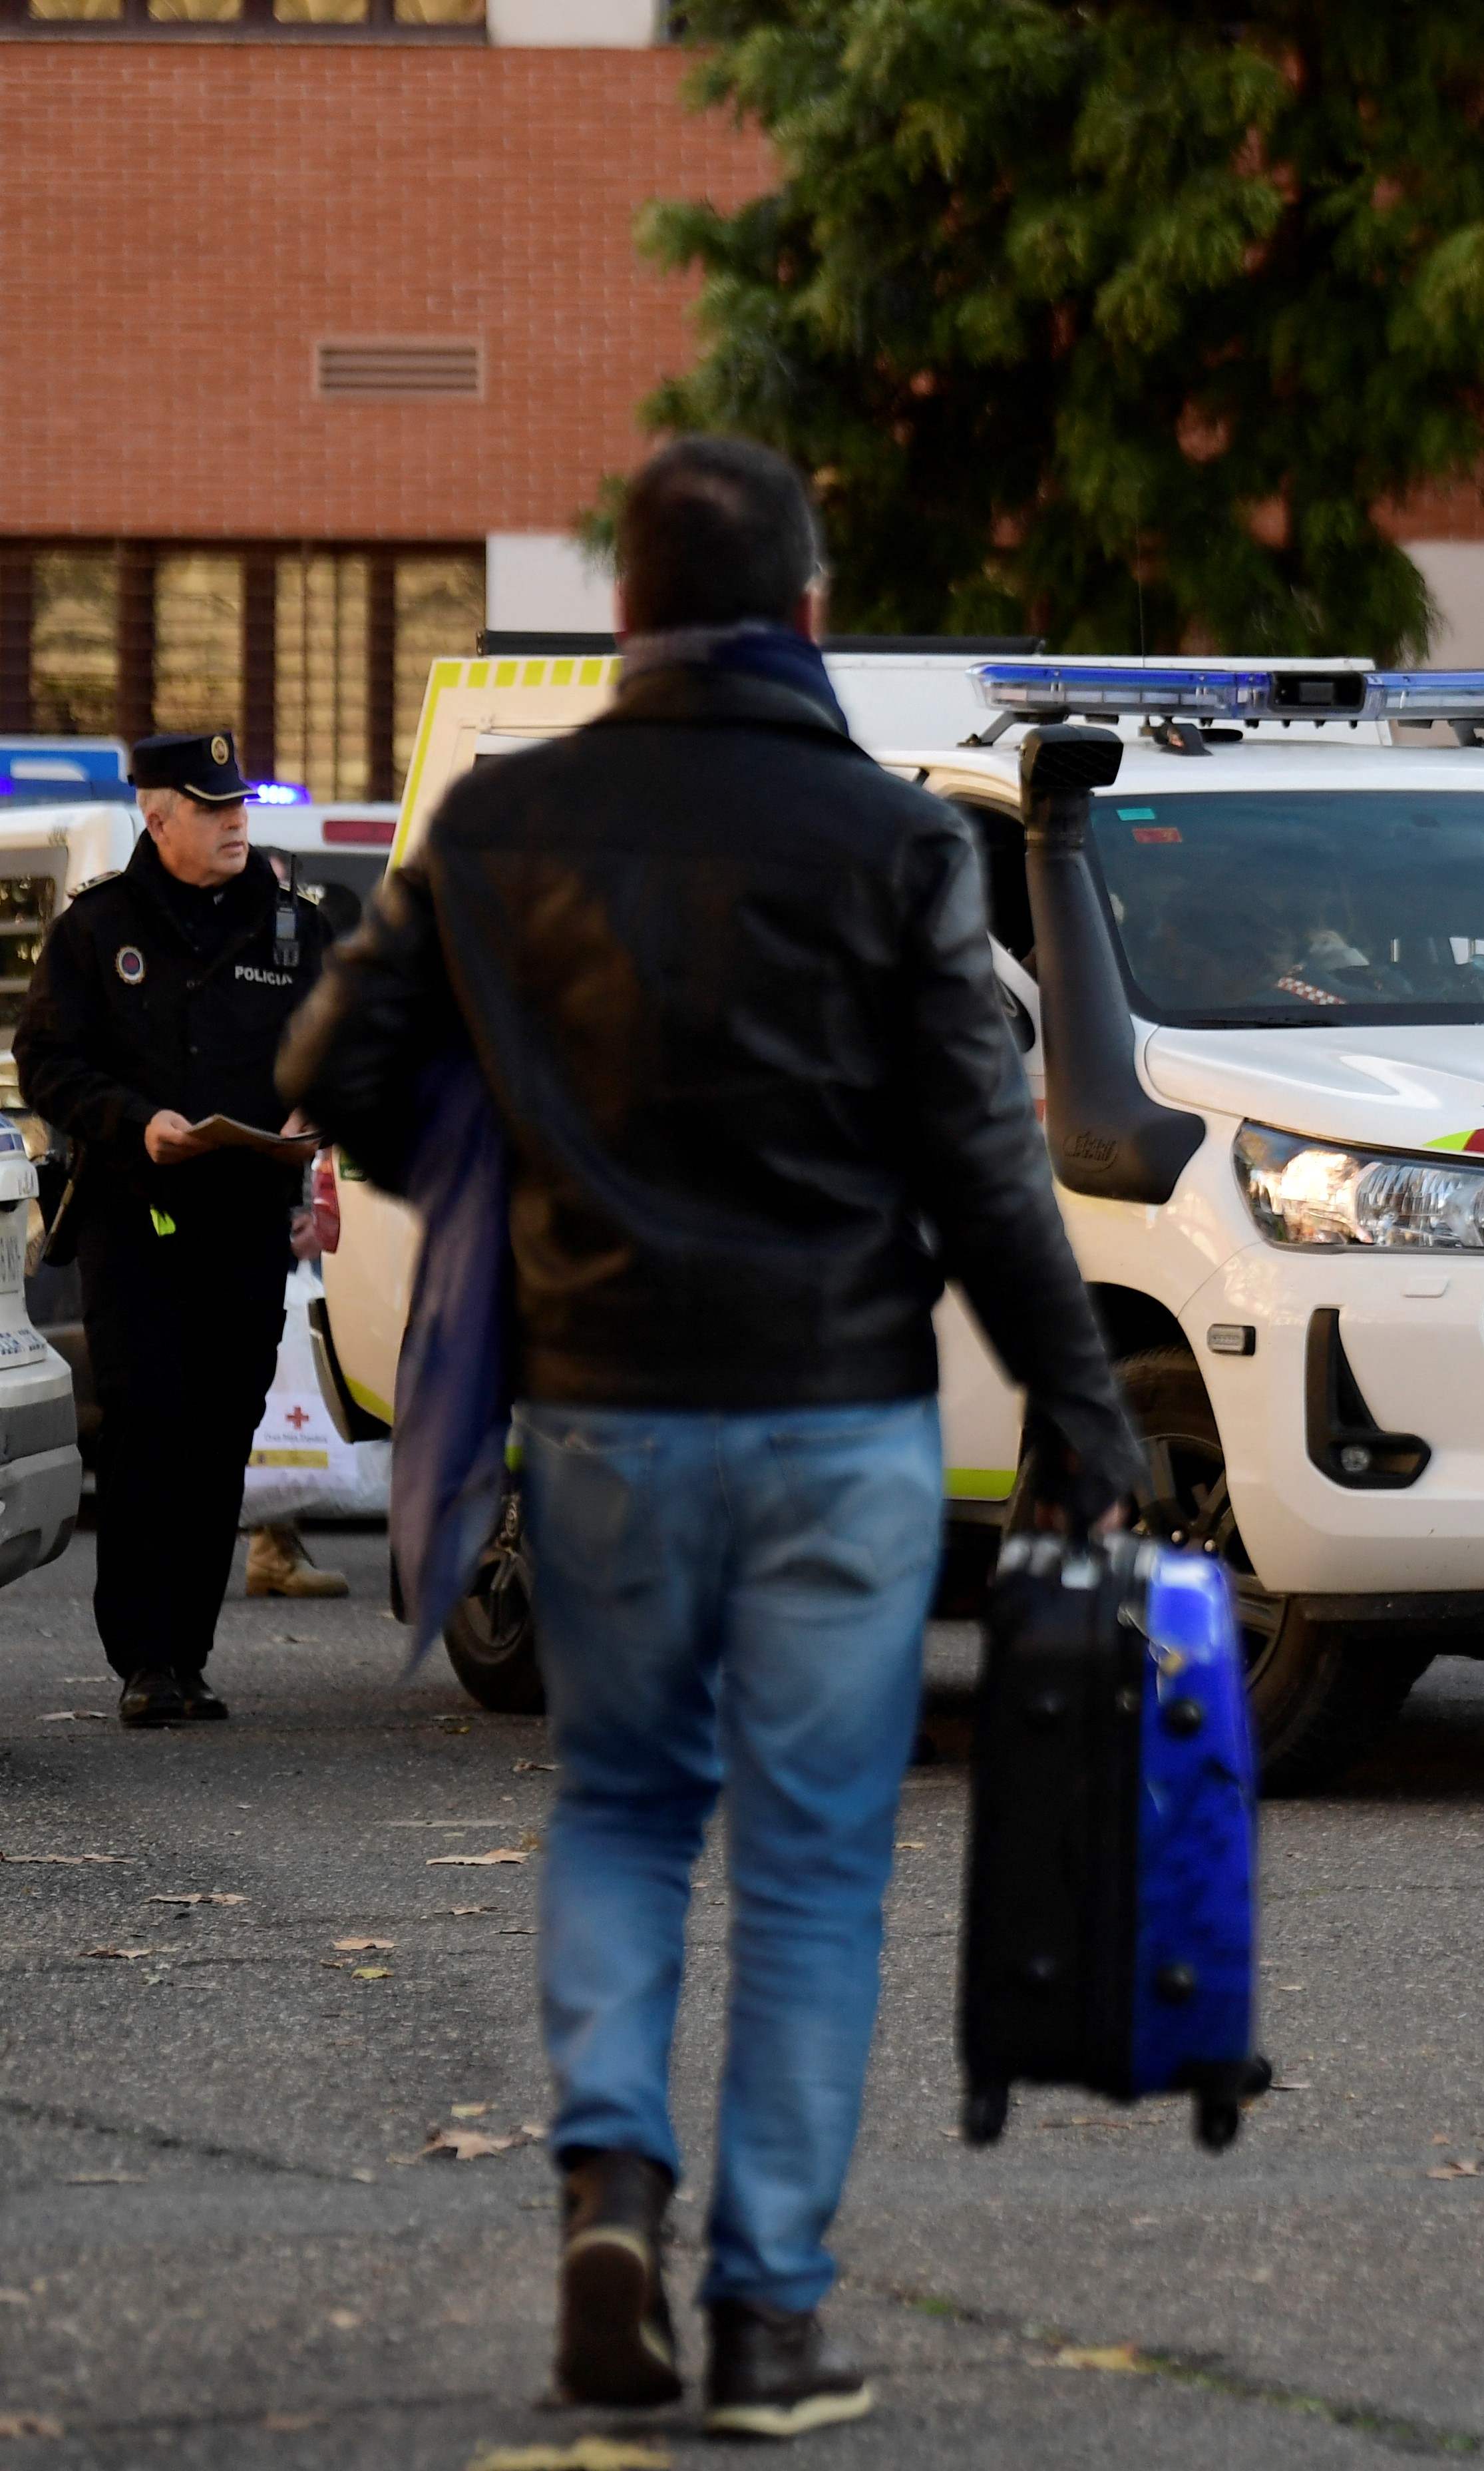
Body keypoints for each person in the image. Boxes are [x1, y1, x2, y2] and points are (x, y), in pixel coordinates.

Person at [284, 436, 1146, 2440]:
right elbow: (982, 1167)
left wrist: (514, 1150)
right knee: (817, 1871)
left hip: (599, 1413)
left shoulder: (502, 825)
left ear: (623, 615)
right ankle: (764, 2319)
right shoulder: (891, 841)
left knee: (620, 1804)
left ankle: (609, 2183)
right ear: (813, 611)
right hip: (841, 1412)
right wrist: (1083, 1412)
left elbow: (331, 1061)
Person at [15, 730, 331, 1725]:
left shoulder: (290, 928)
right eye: (214, 806)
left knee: (219, 1435)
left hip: (244, 1221)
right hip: (134, 1220)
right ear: (160, 817)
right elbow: (47, 1063)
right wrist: (132, 1121)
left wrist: (306, 1116)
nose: (238, 820)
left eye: (241, 804)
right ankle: (144, 1658)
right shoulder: (99, 929)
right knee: (149, 1427)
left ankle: (188, 1654)